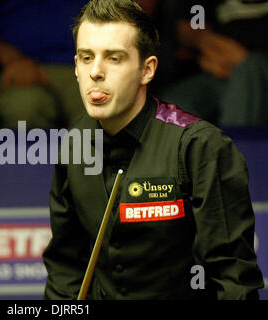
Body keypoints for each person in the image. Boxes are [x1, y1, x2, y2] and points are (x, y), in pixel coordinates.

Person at [42, 0, 264, 300]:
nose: (96, 71)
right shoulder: (75, 144)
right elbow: (66, 268)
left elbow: (233, 279)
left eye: (114, 58)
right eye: (86, 58)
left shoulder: (199, 147)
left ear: (147, 70)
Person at [0, 0, 89, 129]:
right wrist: (11, 59)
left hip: (87, 66)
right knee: (22, 105)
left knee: (98, 109)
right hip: (14, 67)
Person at [159, 0, 268, 126]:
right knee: (173, 106)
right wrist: (207, 43)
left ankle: (235, 144)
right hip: (215, 70)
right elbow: (192, 26)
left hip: (259, 71)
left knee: (249, 70)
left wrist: (244, 62)